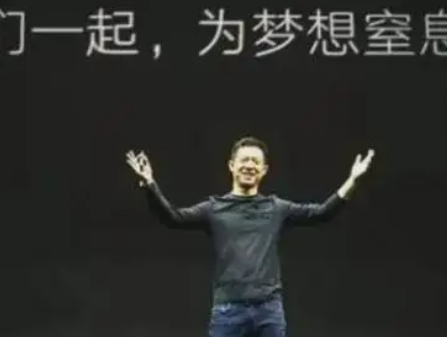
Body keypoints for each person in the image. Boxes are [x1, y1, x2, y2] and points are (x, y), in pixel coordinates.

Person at [125, 136, 375, 337]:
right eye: (244, 160)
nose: (249, 165)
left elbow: (321, 213)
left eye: (256, 162)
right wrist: (150, 185)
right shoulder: (214, 208)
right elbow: (173, 218)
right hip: (228, 311)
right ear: (232, 166)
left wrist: (352, 180)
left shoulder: (276, 208)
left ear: (263, 170)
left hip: (268, 310)